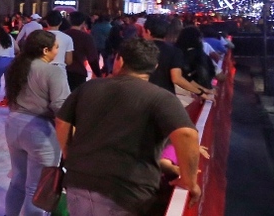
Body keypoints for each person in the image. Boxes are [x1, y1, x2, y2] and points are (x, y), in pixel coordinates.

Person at [57, 38, 201, 214]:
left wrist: (69, 155)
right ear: (154, 66)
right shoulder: (162, 98)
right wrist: (188, 180)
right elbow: (187, 134)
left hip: (78, 181)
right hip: (127, 191)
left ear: (120, 60)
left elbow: (62, 122)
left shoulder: (89, 87)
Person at [3, 30, 69, 216]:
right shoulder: (53, 71)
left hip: (14, 124)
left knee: (17, 182)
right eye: (56, 47)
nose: (57, 50)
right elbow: (60, 105)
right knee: (37, 187)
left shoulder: (16, 67)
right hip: (39, 131)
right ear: (45, 50)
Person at [145, 16, 212, 101]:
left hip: (142, 96)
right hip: (165, 97)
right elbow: (177, 78)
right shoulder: (174, 51)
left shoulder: (139, 49)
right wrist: (201, 92)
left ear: (148, 32)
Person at [65, 11, 102, 91]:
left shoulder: (64, 34)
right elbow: (92, 59)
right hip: (78, 72)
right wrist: (98, 74)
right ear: (83, 22)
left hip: (63, 71)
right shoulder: (86, 37)